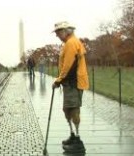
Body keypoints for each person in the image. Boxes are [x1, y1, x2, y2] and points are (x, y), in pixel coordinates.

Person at [51, 21, 89, 153]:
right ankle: (73, 135)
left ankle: (78, 140)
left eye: (57, 33)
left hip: (74, 83)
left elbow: (69, 65)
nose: (56, 35)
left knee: (73, 110)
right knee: (67, 110)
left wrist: (59, 80)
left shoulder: (71, 43)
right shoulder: (68, 43)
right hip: (69, 83)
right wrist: (60, 80)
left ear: (64, 31)